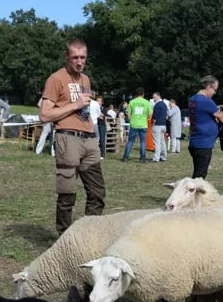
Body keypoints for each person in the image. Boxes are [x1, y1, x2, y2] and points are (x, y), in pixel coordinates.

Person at [38, 38, 106, 235]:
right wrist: (75, 105)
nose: (79, 61)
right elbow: (45, 115)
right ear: (66, 56)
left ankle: (88, 235)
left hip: (89, 139)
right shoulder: (56, 79)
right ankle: (65, 238)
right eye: (75, 57)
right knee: (68, 194)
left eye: (83, 57)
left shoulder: (85, 79)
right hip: (68, 139)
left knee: (97, 192)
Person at [187, 75, 223, 178]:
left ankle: (192, 192)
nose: (215, 93)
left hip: (195, 141)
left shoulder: (193, 99)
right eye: (214, 89)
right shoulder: (206, 101)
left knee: (197, 173)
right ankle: (190, 193)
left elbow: (202, 112)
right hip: (203, 144)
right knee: (200, 176)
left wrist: (215, 108)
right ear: (208, 87)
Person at [122, 88, 152, 162]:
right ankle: (142, 158)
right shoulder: (147, 102)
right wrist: (146, 118)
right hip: (143, 124)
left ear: (136, 94)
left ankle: (126, 157)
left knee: (130, 141)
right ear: (143, 94)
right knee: (143, 142)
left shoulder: (132, 102)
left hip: (134, 124)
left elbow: (128, 114)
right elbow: (150, 114)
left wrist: (131, 120)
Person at [151, 92, 168, 162]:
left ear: (159, 96)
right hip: (163, 125)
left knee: (157, 142)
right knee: (162, 142)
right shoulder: (164, 104)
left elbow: (155, 116)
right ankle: (163, 156)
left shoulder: (157, 105)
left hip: (157, 125)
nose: (153, 99)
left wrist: (153, 123)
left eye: (154, 97)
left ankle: (156, 158)